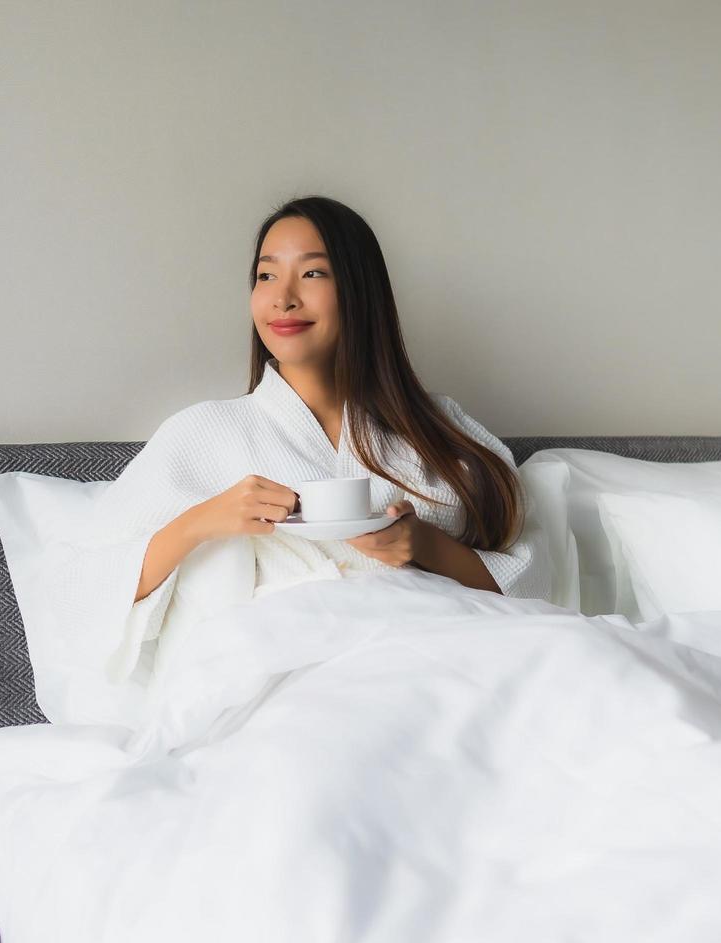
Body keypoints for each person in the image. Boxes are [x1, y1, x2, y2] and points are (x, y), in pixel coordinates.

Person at [46, 196, 551, 692]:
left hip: (448, 660)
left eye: (312, 273)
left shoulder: (438, 426)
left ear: (359, 290)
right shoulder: (203, 433)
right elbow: (81, 591)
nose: (282, 297)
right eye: (266, 275)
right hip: (286, 677)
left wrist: (424, 545)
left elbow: (533, 583)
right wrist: (201, 522)